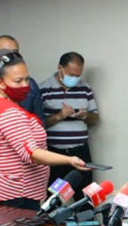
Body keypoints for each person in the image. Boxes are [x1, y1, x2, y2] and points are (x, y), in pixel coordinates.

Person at [0, 50, 90, 210]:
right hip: (17, 196)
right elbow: (32, 154)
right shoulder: (8, 112)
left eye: (27, 79)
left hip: (18, 194)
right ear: (0, 83)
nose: (25, 85)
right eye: (18, 81)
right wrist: (70, 160)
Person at [39, 51, 99, 194]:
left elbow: (95, 118)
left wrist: (85, 116)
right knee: (54, 198)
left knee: (86, 196)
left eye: (78, 75)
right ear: (60, 68)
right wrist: (59, 116)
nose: (75, 79)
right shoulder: (43, 89)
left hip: (80, 152)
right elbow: (38, 124)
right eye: (72, 75)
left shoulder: (85, 88)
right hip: (55, 154)